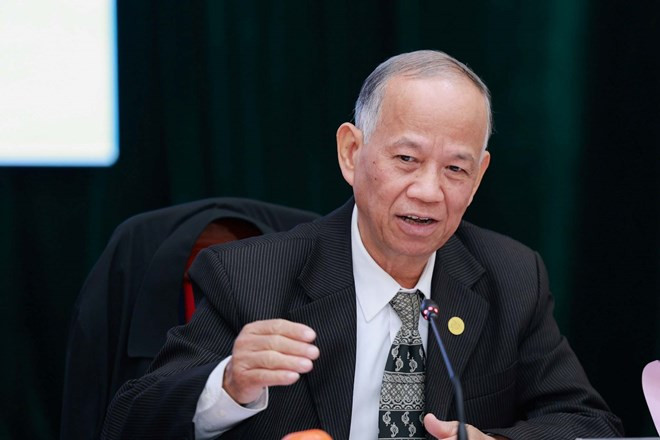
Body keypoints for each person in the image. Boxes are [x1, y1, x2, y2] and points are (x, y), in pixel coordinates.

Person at [101, 50, 624, 439]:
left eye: (455, 169)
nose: (429, 191)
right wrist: (229, 384)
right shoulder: (250, 277)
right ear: (352, 153)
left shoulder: (512, 277)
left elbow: (589, 424)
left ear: (479, 177)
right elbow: (129, 420)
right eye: (406, 160)